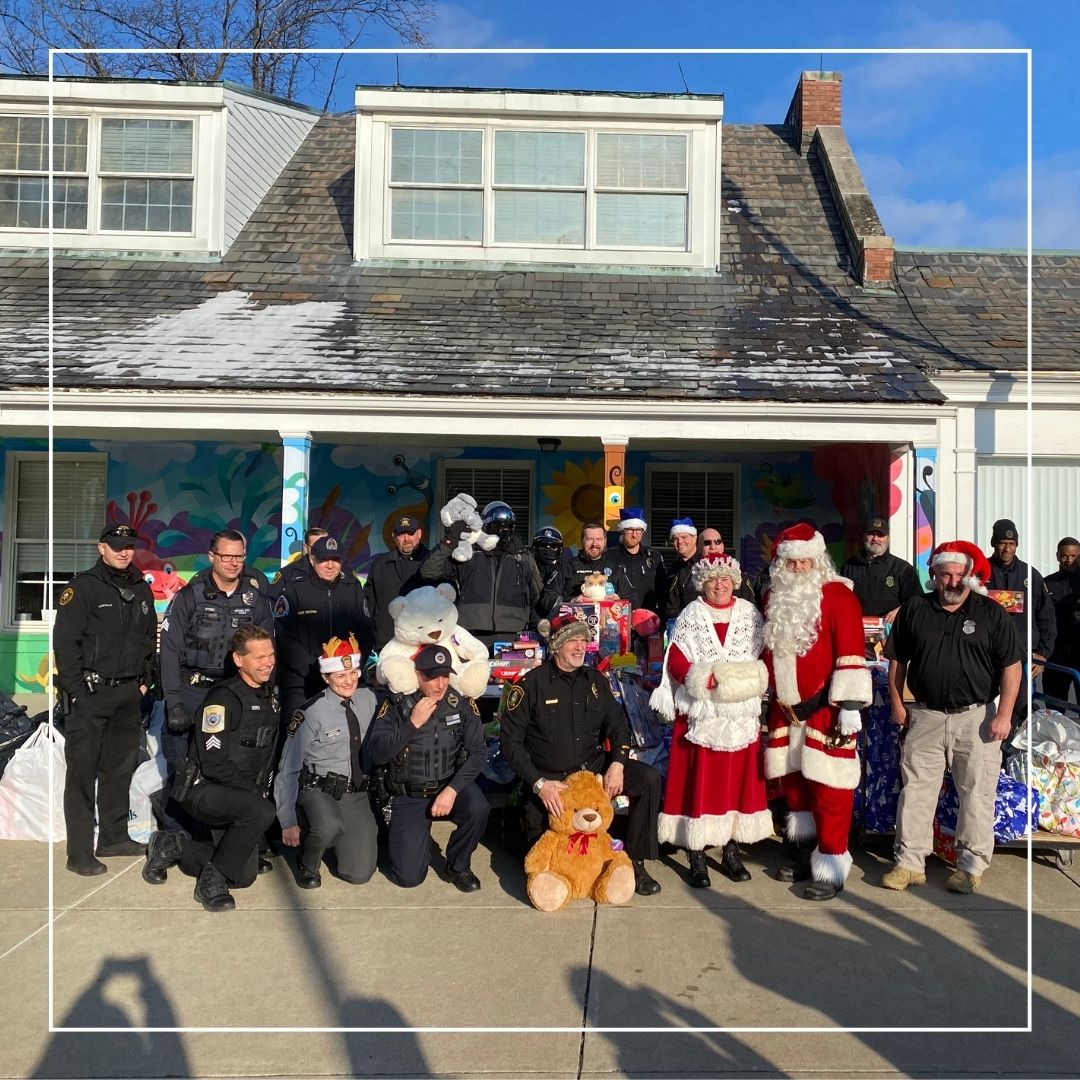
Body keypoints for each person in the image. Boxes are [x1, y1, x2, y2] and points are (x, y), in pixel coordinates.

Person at [881, 540, 1022, 894]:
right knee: (915, 792)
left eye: (960, 574)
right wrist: (898, 704)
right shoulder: (915, 608)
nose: (953, 581)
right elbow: (897, 661)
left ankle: (970, 867)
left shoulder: (991, 613)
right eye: (945, 574)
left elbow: (1012, 667)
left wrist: (1004, 714)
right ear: (934, 576)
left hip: (976, 719)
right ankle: (910, 863)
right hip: (925, 716)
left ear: (970, 577)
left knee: (976, 794)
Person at [499, 612, 663, 896]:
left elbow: (619, 727)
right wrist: (538, 784)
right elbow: (509, 743)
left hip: (592, 770)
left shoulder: (595, 681)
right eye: (571, 641)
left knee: (648, 778)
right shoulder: (531, 685)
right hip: (551, 779)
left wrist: (618, 764)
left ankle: (635, 861)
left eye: (583, 641)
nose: (579, 647)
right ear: (556, 646)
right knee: (535, 848)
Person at [761, 523, 872, 901]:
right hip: (785, 712)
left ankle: (831, 863)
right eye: (790, 564)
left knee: (830, 790)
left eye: (804, 562)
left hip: (827, 711)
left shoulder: (839, 596)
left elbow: (852, 652)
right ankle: (804, 852)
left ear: (817, 560)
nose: (797, 570)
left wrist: (850, 707)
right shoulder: (774, 598)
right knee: (794, 786)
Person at [651, 552, 772, 888]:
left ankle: (731, 850)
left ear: (733, 582)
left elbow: (763, 655)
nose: (719, 585)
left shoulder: (750, 614)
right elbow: (675, 656)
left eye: (724, 579)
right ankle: (697, 853)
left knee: (736, 783)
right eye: (712, 580)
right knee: (698, 783)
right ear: (702, 583)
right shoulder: (692, 614)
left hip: (739, 713)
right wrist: (702, 680)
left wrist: (737, 683)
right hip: (700, 714)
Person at [144, 625, 280, 911]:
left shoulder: (268, 695)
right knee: (261, 812)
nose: (268, 662)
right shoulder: (222, 700)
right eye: (259, 657)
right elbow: (214, 764)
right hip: (204, 788)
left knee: (244, 875)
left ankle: (175, 845)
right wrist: (255, 794)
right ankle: (212, 880)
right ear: (239, 660)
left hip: (238, 793)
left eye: (270, 655)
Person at [54, 522, 157, 876]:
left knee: (119, 769)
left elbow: (149, 639)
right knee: (82, 772)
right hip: (90, 694)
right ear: (101, 548)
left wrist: (145, 683)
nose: (124, 552)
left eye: (129, 546)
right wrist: (78, 694)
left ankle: (113, 837)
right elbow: (65, 645)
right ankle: (79, 851)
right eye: (117, 546)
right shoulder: (82, 588)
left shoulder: (142, 589)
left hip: (128, 694)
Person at [157, 530, 275, 833]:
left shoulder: (256, 601)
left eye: (239, 556)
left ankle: (220, 837)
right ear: (212, 557)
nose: (233, 562)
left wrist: (264, 696)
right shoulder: (189, 596)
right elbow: (169, 651)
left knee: (232, 765)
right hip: (192, 691)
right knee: (182, 766)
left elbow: (266, 653)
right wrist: (174, 703)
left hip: (233, 695)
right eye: (226, 556)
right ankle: (173, 838)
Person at [367, 644, 489, 891]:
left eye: (445, 675)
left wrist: (452, 790)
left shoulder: (460, 703)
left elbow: (478, 753)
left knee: (478, 807)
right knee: (408, 879)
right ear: (418, 675)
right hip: (410, 793)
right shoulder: (397, 706)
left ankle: (458, 866)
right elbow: (377, 753)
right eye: (432, 677)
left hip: (448, 785)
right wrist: (411, 724)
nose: (441, 684)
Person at [274, 635, 379, 889]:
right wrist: (287, 820)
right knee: (328, 825)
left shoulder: (370, 699)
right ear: (326, 677)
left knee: (359, 874)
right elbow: (288, 769)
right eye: (340, 676)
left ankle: (337, 838)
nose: (349, 680)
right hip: (319, 789)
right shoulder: (310, 713)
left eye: (353, 672)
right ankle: (308, 862)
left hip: (355, 793)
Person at [272, 534, 374, 722]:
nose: (330, 565)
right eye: (323, 560)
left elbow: (366, 632)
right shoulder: (294, 591)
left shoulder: (352, 589)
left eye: (335, 560)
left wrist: (349, 668)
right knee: (298, 737)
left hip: (346, 679)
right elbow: (284, 637)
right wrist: (315, 668)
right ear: (311, 559)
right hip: (303, 681)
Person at [420, 500, 542, 652]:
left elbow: (538, 599)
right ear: (485, 527)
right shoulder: (468, 554)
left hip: (513, 633)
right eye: (496, 527)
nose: (502, 532)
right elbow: (428, 571)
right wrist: (451, 540)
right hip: (470, 631)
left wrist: (536, 630)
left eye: (507, 527)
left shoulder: (523, 558)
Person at [987, 518, 1054, 729]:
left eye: (1011, 544)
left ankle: (1015, 754)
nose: (1007, 548)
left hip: (1022, 655)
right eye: (1002, 543)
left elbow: (1047, 617)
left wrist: (1042, 653)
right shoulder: (981, 572)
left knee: (1022, 705)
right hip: (986, 654)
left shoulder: (1030, 574)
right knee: (988, 705)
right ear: (993, 543)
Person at [363, 514, 428, 651]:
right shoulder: (381, 564)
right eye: (401, 534)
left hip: (424, 643)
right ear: (394, 536)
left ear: (419, 534)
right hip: (388, 643)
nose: (406, 539)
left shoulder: (431, 563)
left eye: (410, 533)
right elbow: (369, 604)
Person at [840, 515, 923, 623]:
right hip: (856, 628)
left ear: (888, 538)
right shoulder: (849, 566)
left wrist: (900, 610)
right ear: (863, 536)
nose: (875, 539)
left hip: (891, 632)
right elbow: (839, 599)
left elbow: (918, 601)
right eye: (871, 534)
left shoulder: (902, 568)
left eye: (880, 535)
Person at [606, 507, 662, 613]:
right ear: (622, 531)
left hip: (648, 619)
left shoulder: (654, 557)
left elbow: (662, 590)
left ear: (642, 531)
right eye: (630, 529)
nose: (634, 534)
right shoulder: (609, 557)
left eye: (638, 530)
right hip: (617, 617)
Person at [1044, 536, 1080, 700]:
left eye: (1074, 556)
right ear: (1057, 556)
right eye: (1065, 556)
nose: (1069, 560)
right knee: (1054, 711)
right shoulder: (1046, 583)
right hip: (1056, 657)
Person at [657, 517, 700, 625]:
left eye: (684, 537)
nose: (680, 541)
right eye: (675, 538)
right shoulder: (673, 568)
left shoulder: (704, 566)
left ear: (694, 538)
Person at [557, 522, 611, 601]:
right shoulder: (567, 566)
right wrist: (573, 601)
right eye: (589, 539)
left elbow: (629, 596)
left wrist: (618, 599)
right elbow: (549, 597)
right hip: (576, 612)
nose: (594, 544)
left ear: (605, 541)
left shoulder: (615, 567)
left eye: (599, 539)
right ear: (582, 540)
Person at [531, 526, 565, 623]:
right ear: (535, 548)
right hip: (532, 623)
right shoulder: (527, 569)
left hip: (559, 623)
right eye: (543, 545)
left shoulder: (565, 570)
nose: (547, 550)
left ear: (560, 549)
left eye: (553, 546)